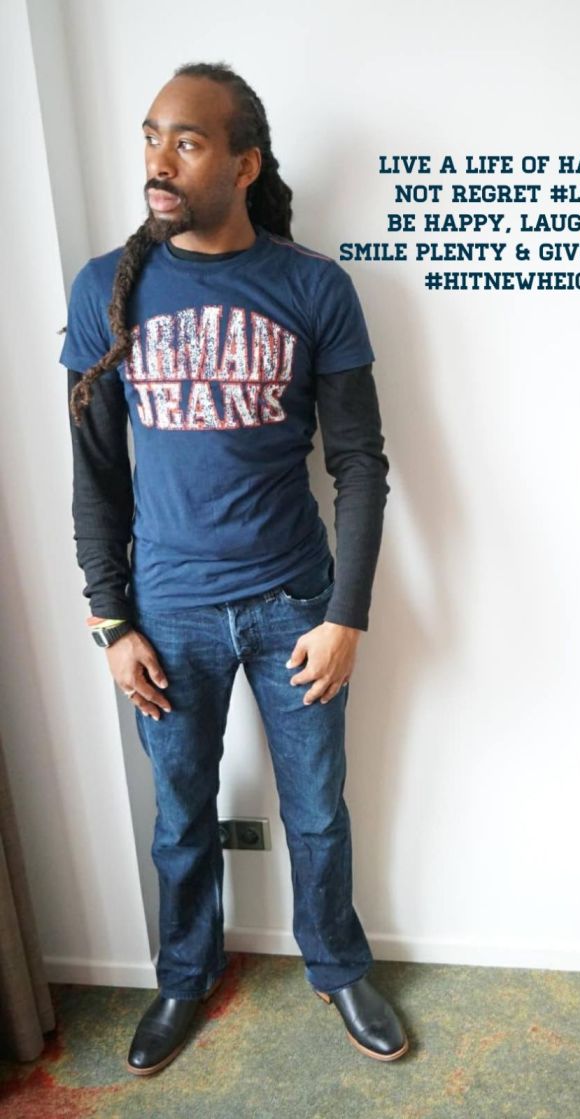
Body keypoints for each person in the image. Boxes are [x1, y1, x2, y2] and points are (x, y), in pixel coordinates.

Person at [58, 60, 408, 1075]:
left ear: (245, 164)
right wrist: (110, 621)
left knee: (317, 809)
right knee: (180, 818)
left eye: (188, 141)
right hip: (166, 614)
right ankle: (183, 975)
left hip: (296, 604)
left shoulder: (313, 287)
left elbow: (360, 463)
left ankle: (337, 964)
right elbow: (94, 477)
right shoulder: (105, 289)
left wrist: (346, 615)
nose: (159, 161)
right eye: (151, 136)